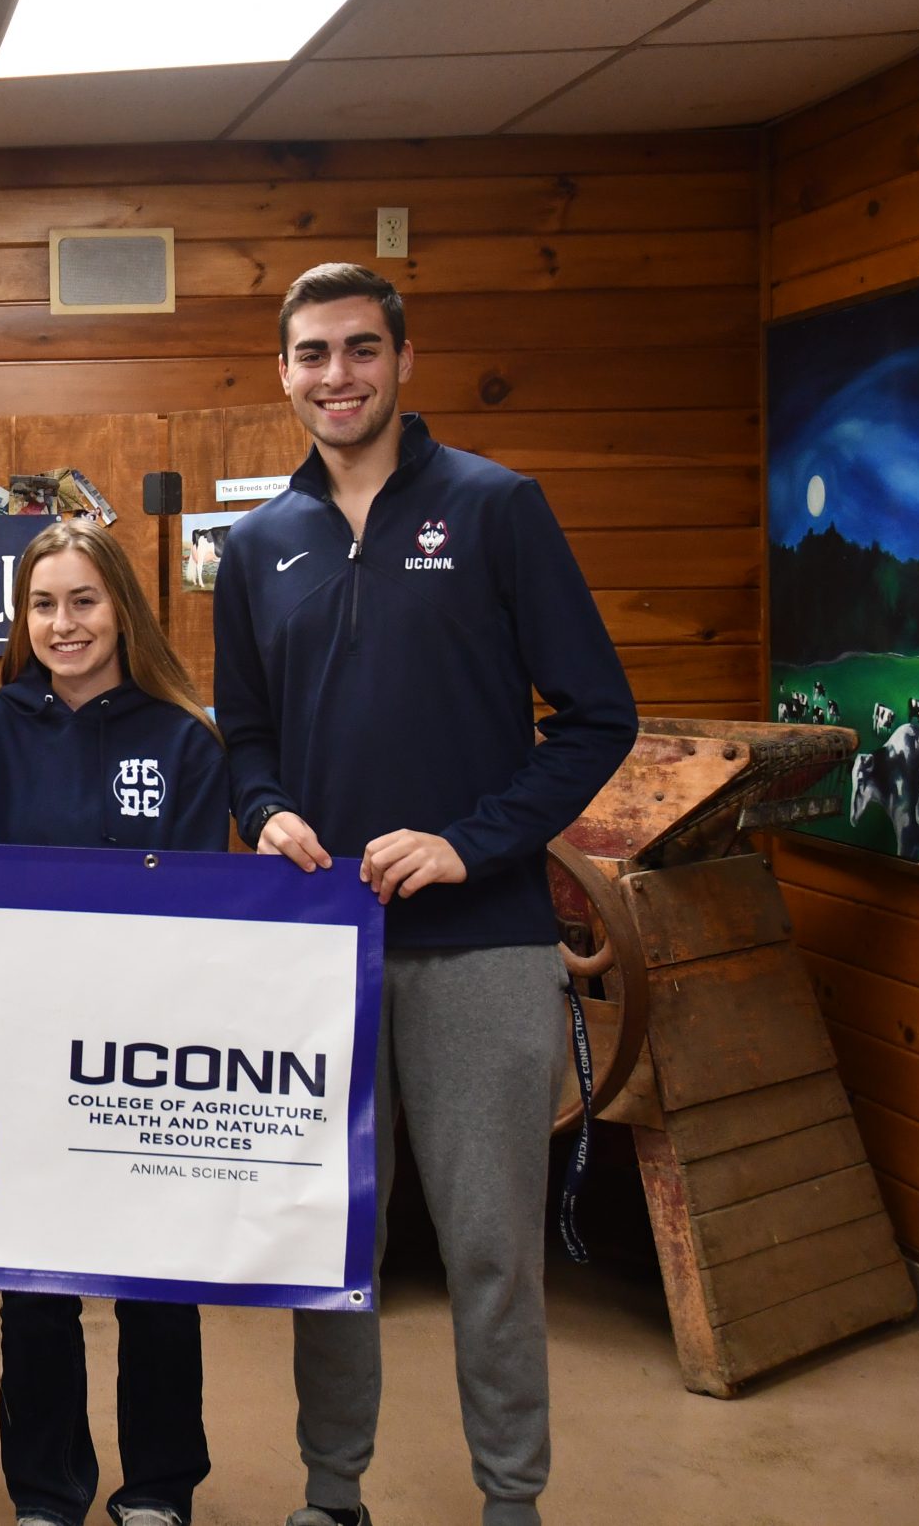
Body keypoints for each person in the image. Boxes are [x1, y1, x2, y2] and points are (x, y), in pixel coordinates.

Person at [211, 263, 638, 1526]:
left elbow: (595, 718)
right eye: (308, 355)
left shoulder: (497, 509)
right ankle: (331, 1491)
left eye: (356, 349)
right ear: (281, 370)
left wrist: (468, 843)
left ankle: (512, 1498)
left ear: (401, 360)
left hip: (482, 946)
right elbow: (243, 735)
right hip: (323, 952)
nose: (333, 376)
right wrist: (262, 808)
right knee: (332, 1249)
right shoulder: (258, 544)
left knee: (491, 1250)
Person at [0, 520, 223, 1526]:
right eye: (43, 604)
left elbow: (193, 913)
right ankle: (46, 1492)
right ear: (21, 619)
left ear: (122, 611)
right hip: (21, 1056)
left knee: (154, 1285)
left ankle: (157, 1489)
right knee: (37, 1290)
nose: (64, 624)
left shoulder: (183, 739)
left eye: (84, 601)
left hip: (146, 1056)